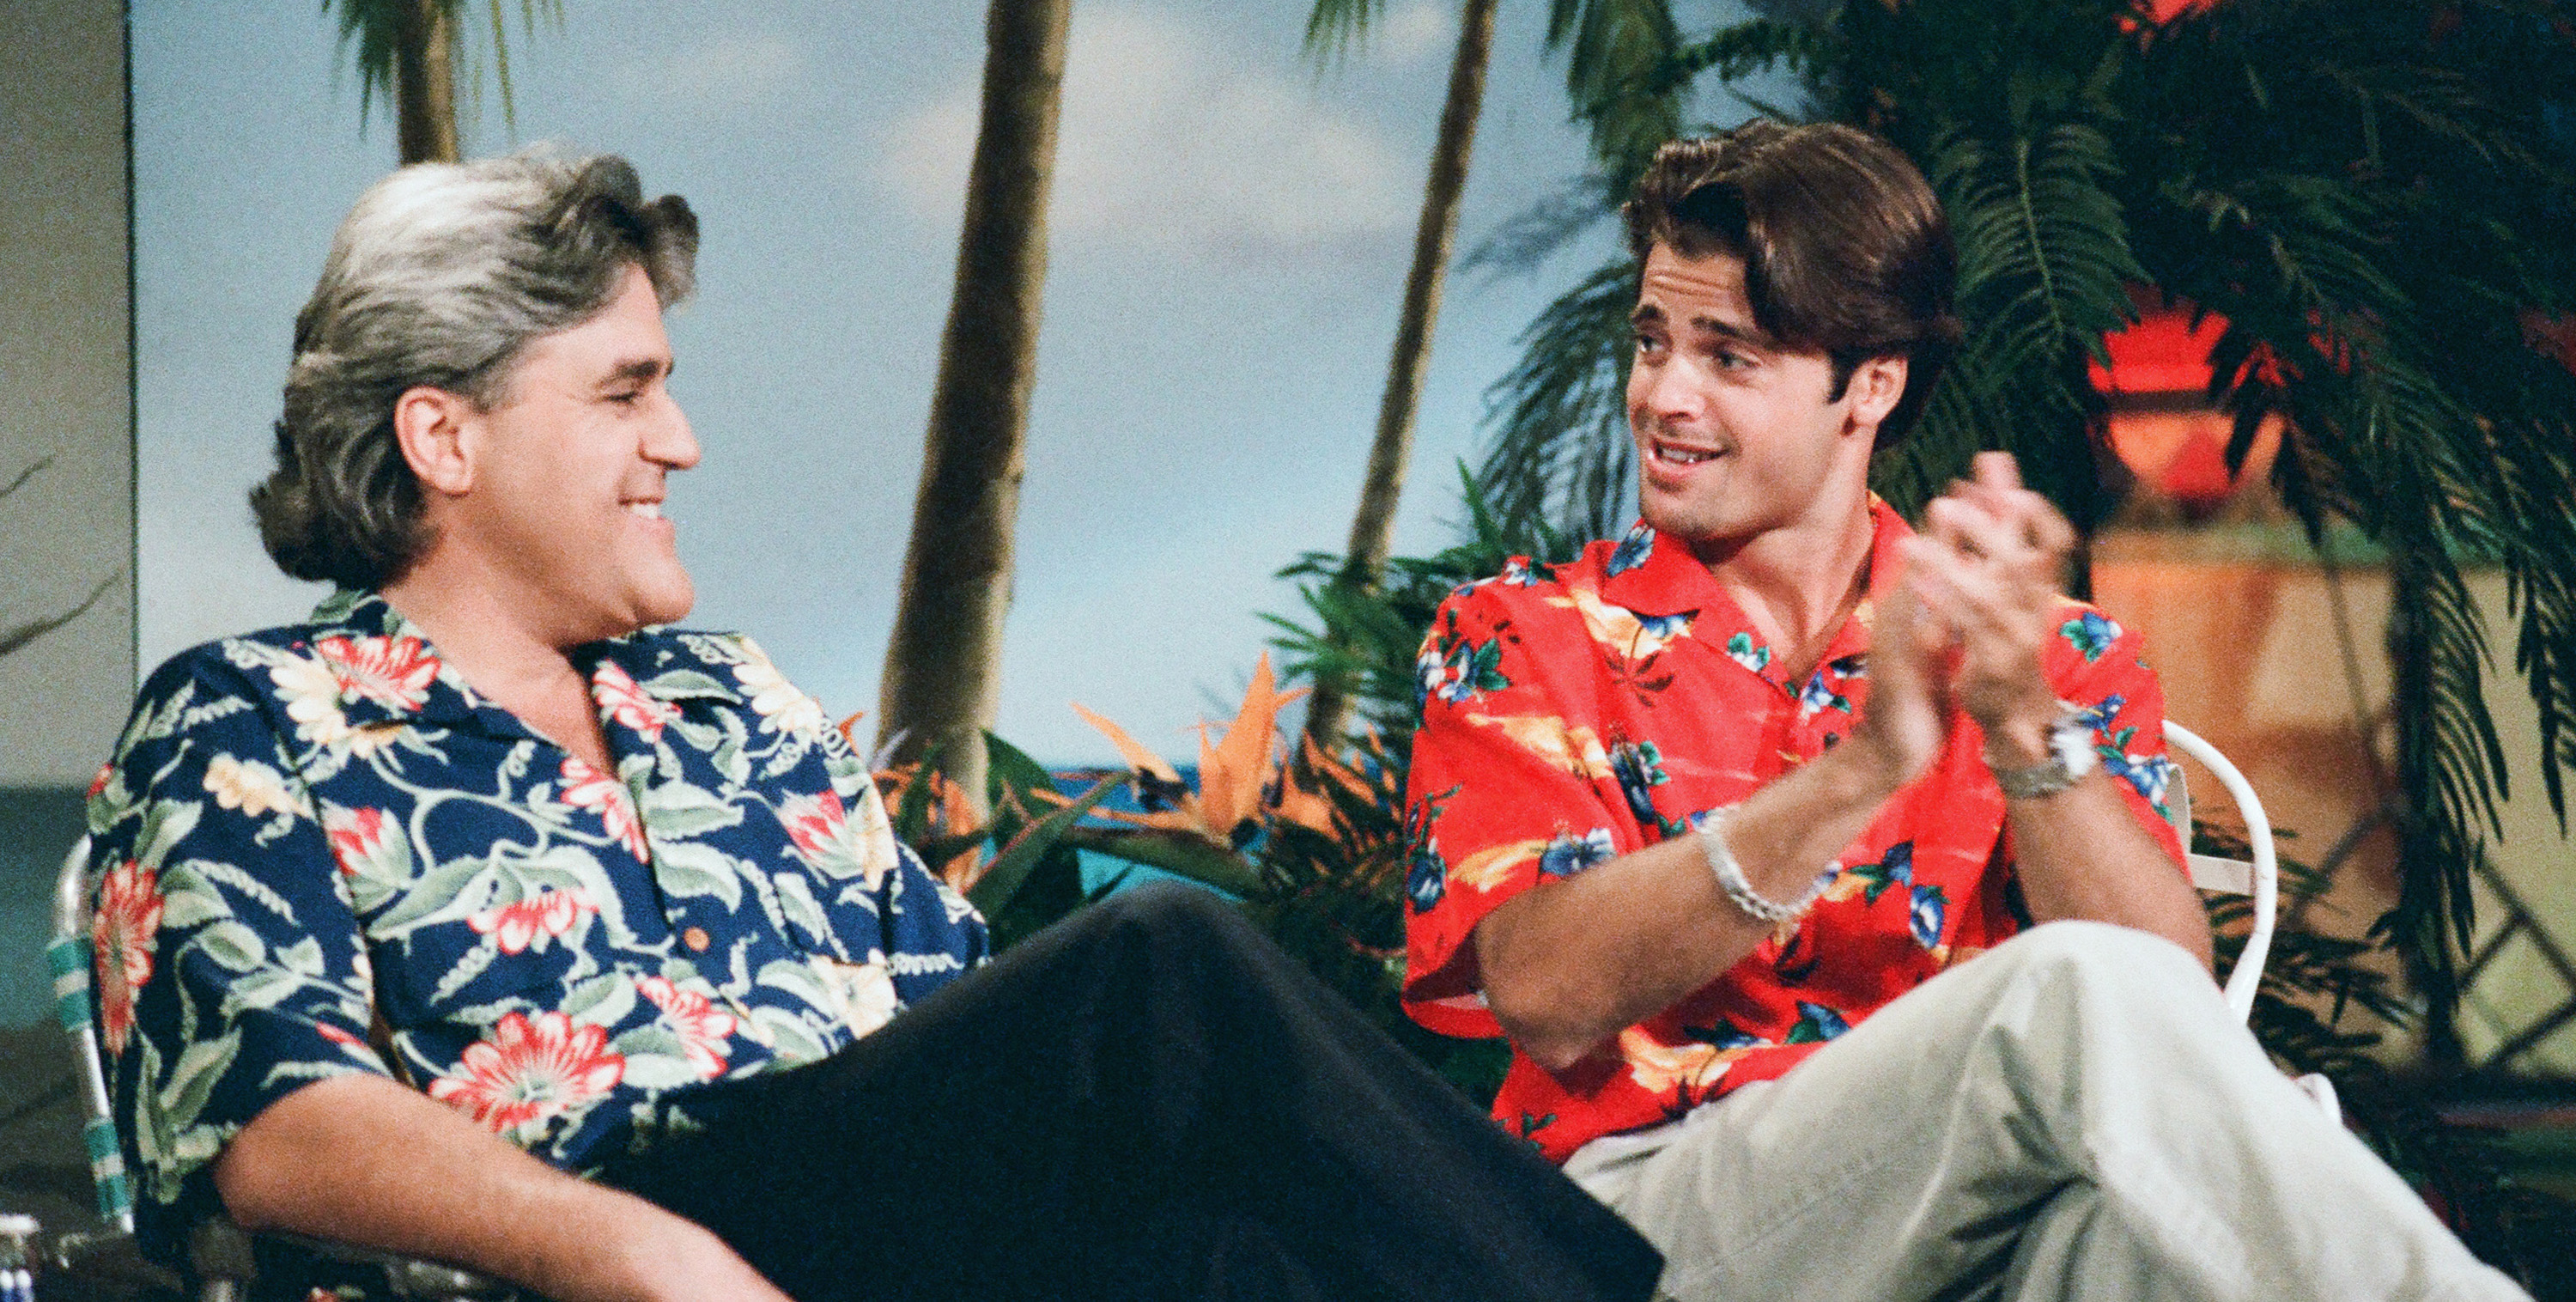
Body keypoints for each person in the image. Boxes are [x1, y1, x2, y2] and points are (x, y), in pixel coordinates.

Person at [88, 150, 1664, 1302]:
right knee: (1158, 966)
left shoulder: (730, 700)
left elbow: (966, 1032)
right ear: (444, 433)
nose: (681, 441)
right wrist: (640, 1249)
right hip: (603, 1241)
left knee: (1231, 1262)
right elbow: (274, 1119)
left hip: (882, 1238)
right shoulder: (246, 719)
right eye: (625, 392)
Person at [1401, 120, 2530, 1302]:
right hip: (1645, 1222)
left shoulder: (2046, 652)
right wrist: (1863, 767)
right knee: (2071, 994)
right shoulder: (1524, 632)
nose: (1663, 395)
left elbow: (2170, 1000)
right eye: (1653, 342)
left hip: (1965, 1225)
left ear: (1871, 383)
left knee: (2126, 1246)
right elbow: (1544, 993)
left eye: (1727, 357)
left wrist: (2023, 728)